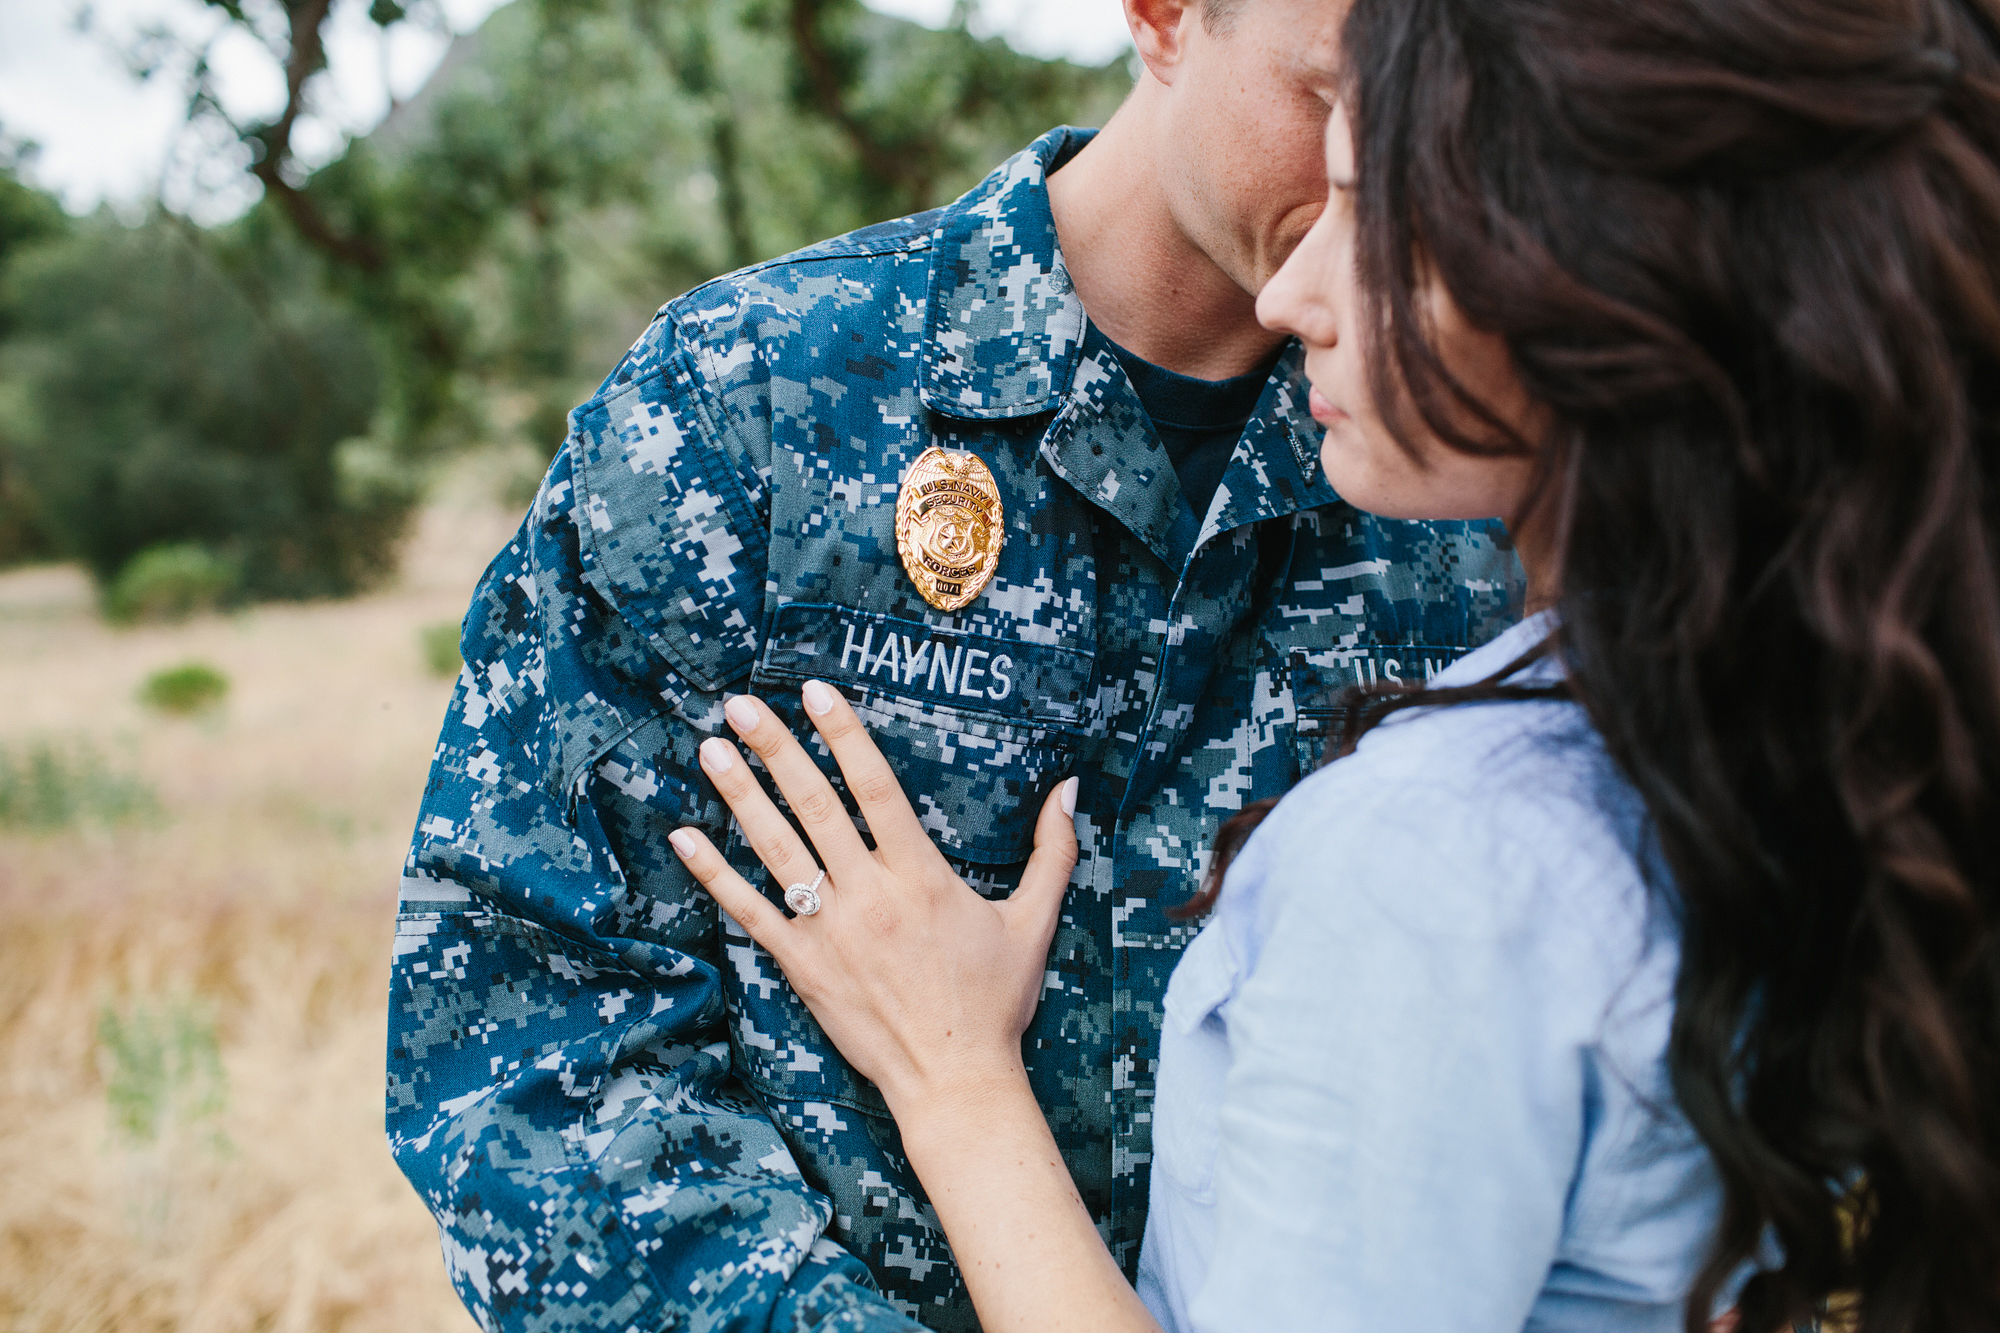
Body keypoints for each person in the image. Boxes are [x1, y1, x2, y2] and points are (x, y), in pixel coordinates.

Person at [667, 0, 2000, 1328]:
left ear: (1585, 265)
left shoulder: (1441, 854)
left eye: (1375, 197)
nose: (1292, 284)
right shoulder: (1826, 710)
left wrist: (954, 1077)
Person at [384, 0, 1520, 1329]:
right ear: (1162, 16)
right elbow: (524, 1046)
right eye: (1335, 104)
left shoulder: (1474, 475)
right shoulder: (746, 408)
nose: (1389, 196)